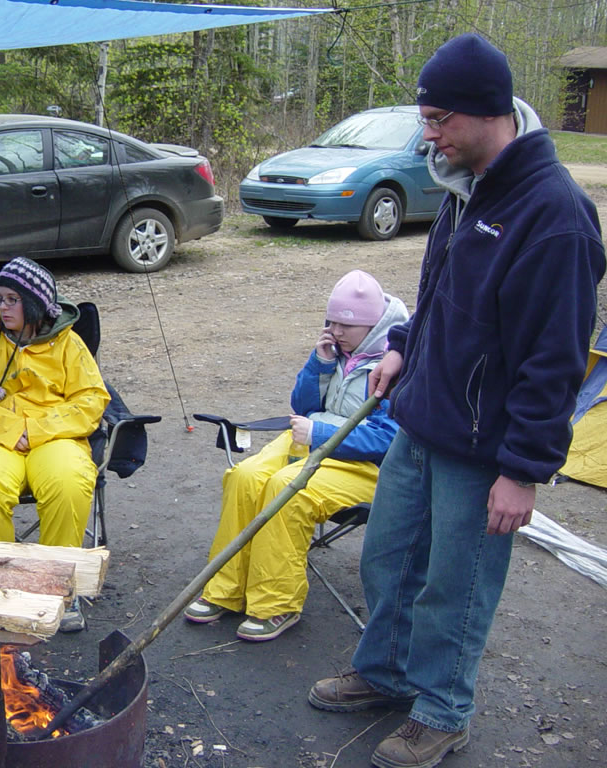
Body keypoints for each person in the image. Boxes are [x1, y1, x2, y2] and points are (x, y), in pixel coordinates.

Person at [308, 34, 606, 768]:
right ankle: (385, 672)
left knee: (454, 587)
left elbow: (556, 361)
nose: (428, 136)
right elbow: (441, 293)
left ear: (487, 111)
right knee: (388, 560)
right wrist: (403, 346)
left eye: (439, 119)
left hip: (483, 448)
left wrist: (523, 469)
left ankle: (442, 712)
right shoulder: (466, 187)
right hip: (422, 421)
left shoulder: (555, 216)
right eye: (426, 118)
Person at [185, 270, 408, 641]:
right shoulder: (335, 350)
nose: (335, 331)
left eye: (346, 326)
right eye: (331, 322)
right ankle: (225, 588)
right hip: (310, 439)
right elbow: (302, 406)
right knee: (245, 477)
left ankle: (276, 604)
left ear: (372, 326)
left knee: (287, 489)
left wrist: (320, 433)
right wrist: (319, 364)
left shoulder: (396, 363)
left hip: (363, 465)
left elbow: (388, 440)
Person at [0, 256, 110, 631]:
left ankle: (57, 588)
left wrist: (34, 429)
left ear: (34, 303)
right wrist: (9, 429)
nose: (2, 308)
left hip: (56, 436)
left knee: (68, 482)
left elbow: (91, 401)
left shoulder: (69, 345)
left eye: (12, 300)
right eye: (0, 299)